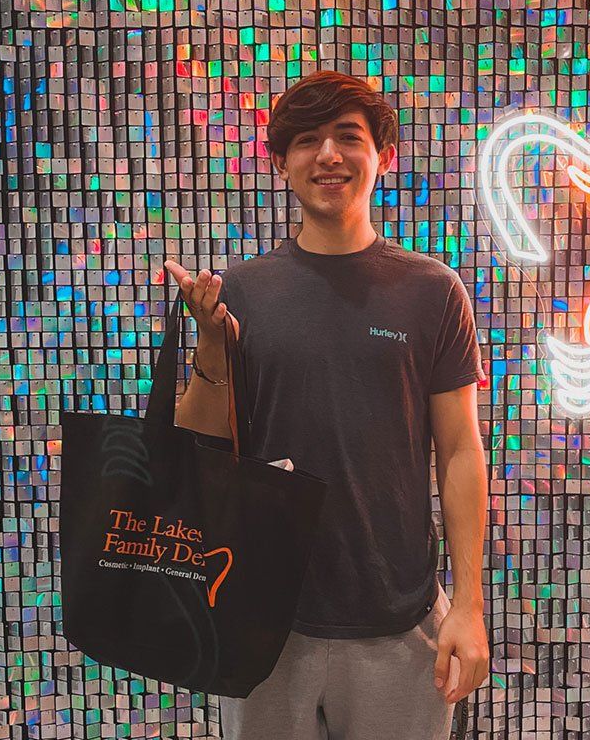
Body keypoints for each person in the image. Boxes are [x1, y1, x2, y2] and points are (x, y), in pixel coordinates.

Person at [164, 70, 489, 740]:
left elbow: (459, 451)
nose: (329, 155)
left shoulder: (432, 291)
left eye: (348, 137)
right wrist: (212, 348)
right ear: (280, 162)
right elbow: (194, 450)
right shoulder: (242, 292)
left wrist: (470, 605)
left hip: (400, 620)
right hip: (263, 619)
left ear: (383, 158)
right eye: (307, 140)